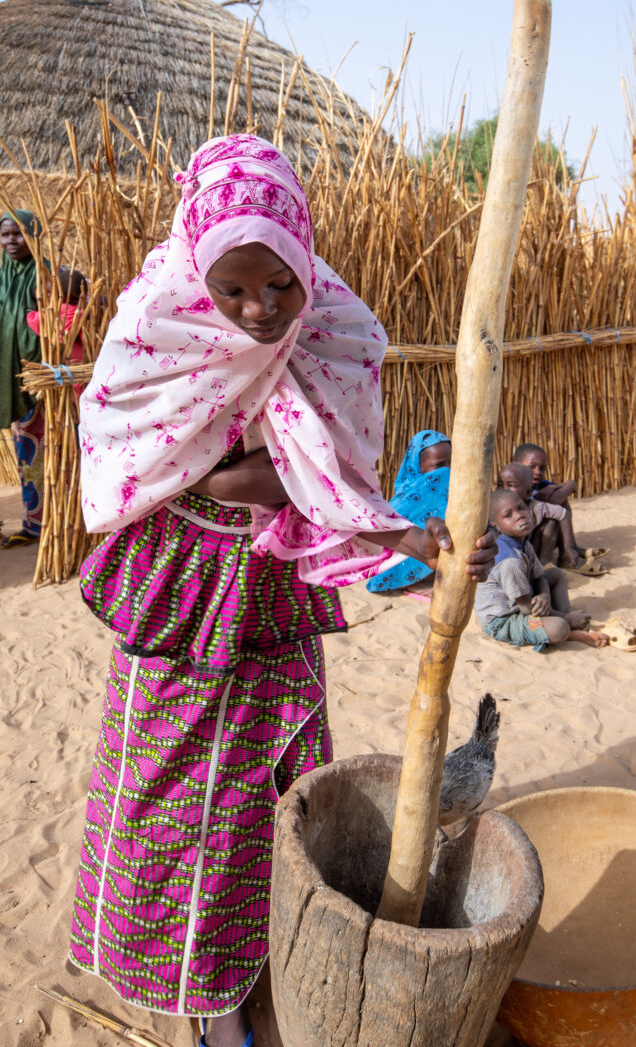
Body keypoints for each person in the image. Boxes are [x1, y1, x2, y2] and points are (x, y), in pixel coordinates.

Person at [70, 136, 495, 1047]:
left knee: (277, 787)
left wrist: (426, 541)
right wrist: (241, 476)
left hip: (270, 587)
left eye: (280, 285)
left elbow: (320, 478)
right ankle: (204, 1000)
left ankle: (259, 967)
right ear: (196, 269)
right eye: (233, 289)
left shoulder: (336, 331)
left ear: (306, 259)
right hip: (182, 592)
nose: (260, 310)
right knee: (172, 789)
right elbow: (145, 456)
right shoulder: (157, 327)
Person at [474, 488, 608, 651]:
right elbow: (526, 609)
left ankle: (566, 620)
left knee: (556, 575)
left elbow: (540, 576)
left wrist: (544, 595)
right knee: (559, 628)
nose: (519, 515)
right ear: (496, 526)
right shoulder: (510, 562)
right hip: (504, 620)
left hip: (525, 598)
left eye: (521, 508)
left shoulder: (523, 543)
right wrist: (565, 618)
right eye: (508, 515)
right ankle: (570, 629)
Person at [0, 209, 44, 549]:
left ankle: (41, 524)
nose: (12, 241)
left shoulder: (46, 275)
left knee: (38, 452)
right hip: (7, 378)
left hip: (38, 382)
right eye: (6, 234)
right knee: (22, 451)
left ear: (33, 234)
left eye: (19, 233)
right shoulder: (1, 275)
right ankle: (30, 521)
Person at [365, 429, 452, 597]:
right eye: (439, 465)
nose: (446, 471)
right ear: (416, 467)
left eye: (450, 464)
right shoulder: (402, 502)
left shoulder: (451, 494)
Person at [512, 442, 607, 573]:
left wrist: (557, 486)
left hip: (534, 540)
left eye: (542, 468)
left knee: (561, 502)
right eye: (532, 467)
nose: (537, 472)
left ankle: (568, 551)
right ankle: (556, 558)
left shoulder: (539, 484)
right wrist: (563, 488)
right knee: (553, 516)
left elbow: (572, 485)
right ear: (516, 465)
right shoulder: (517, 489)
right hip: (524, 546)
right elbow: (554, 500)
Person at [26, 266, 87, 400]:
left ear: (57, 293)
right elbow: (85, 339)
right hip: (76, 357)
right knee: (78, 387)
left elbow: (33, 320)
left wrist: (33, 311)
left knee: (58, 390)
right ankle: (79, 412)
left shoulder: (50, 313)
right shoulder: (81, 314)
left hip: (54, 355)